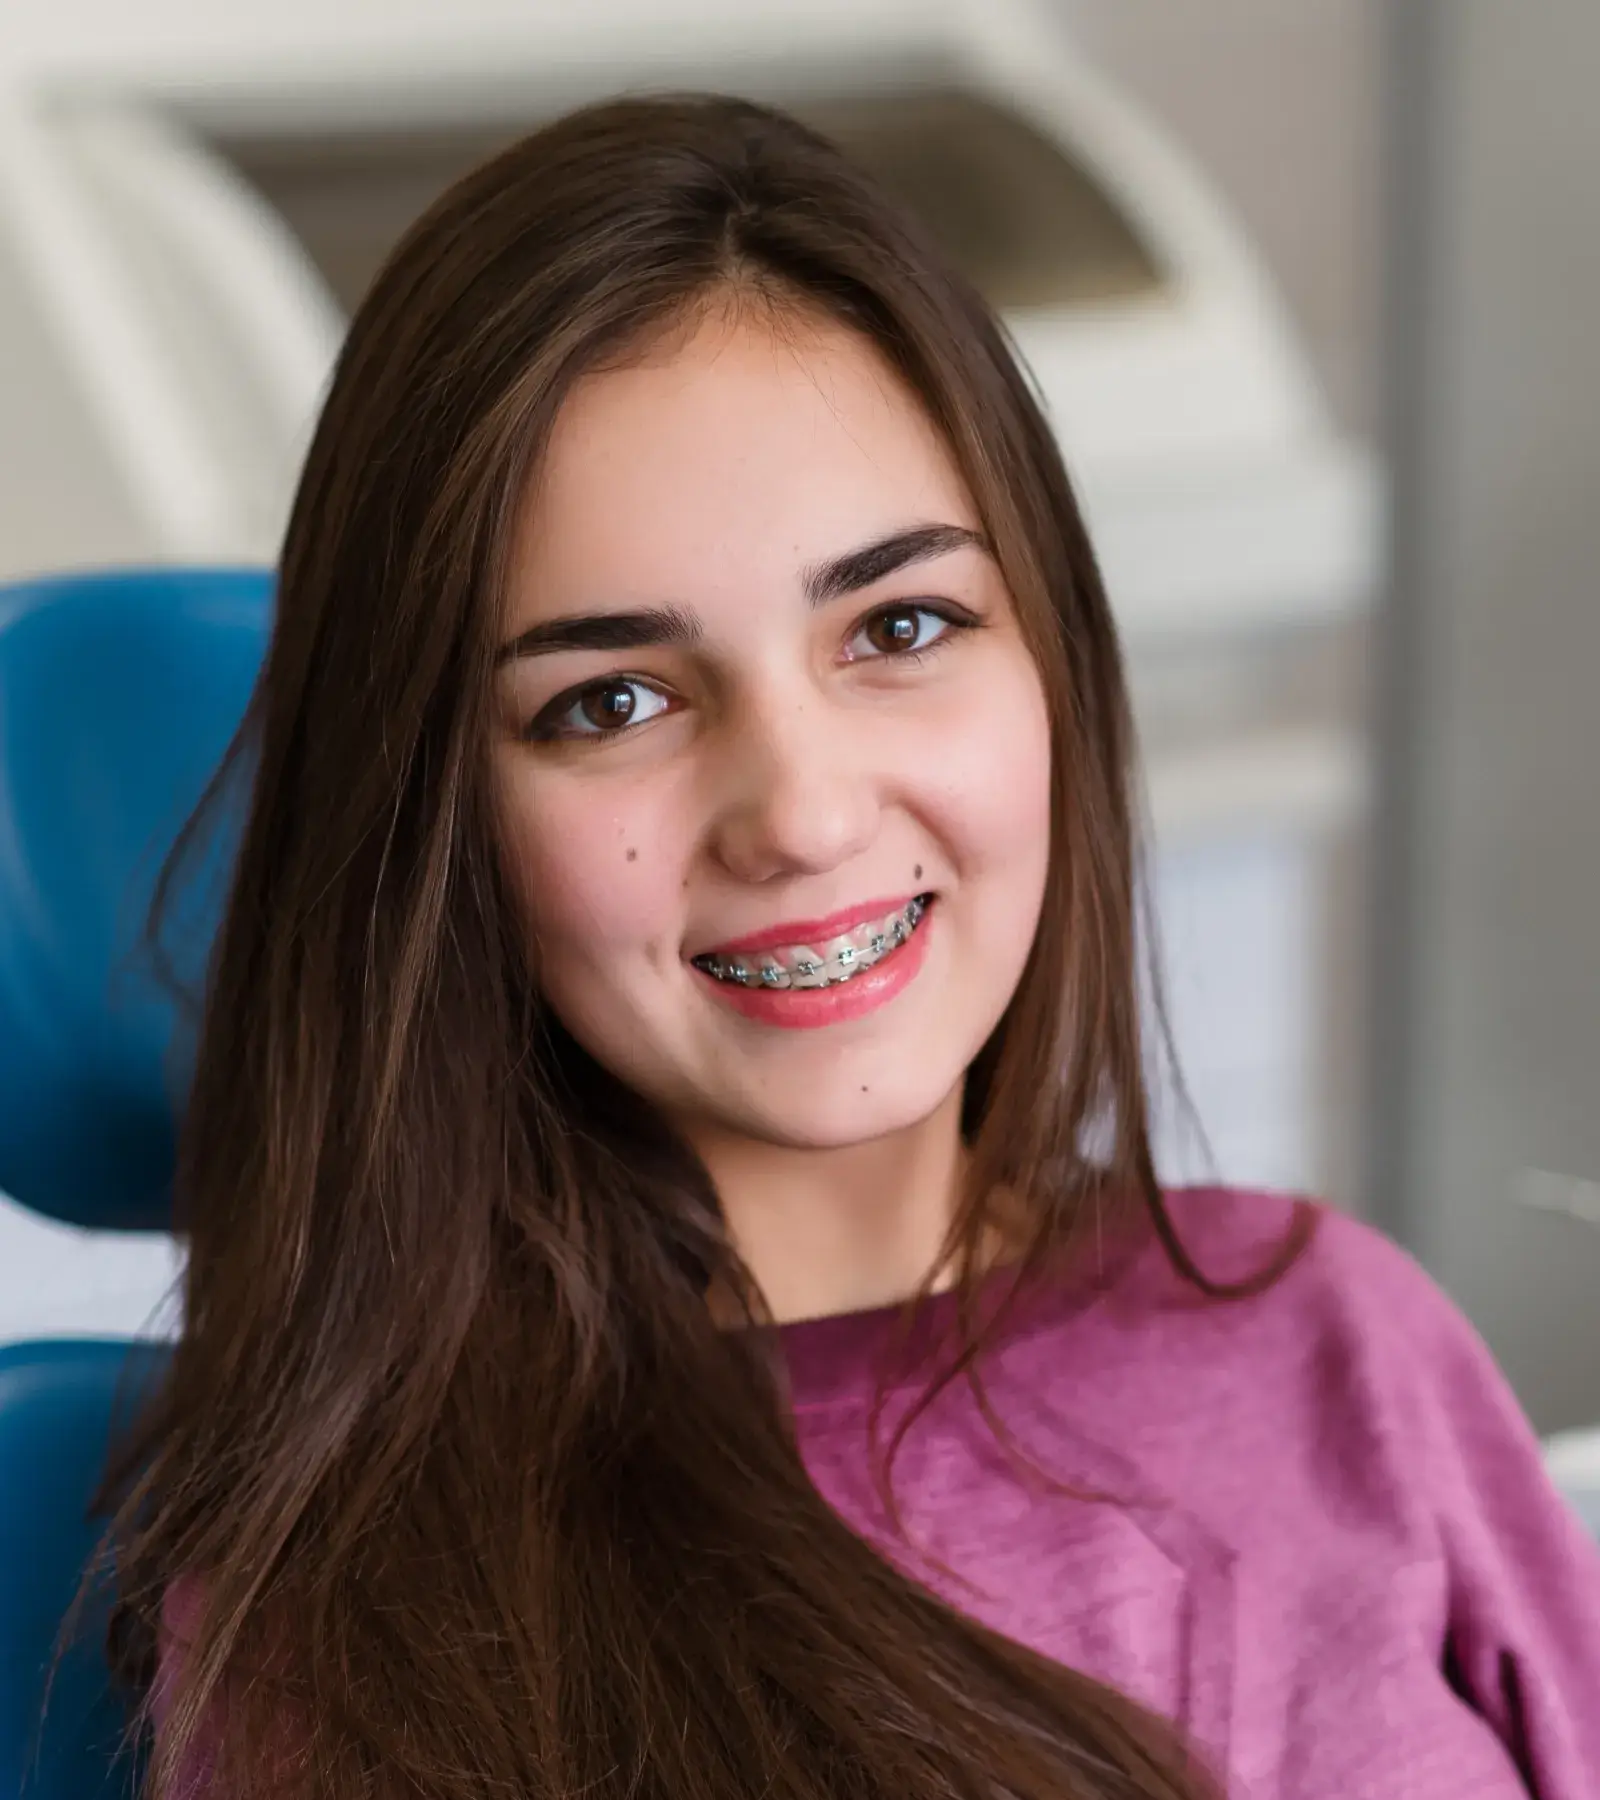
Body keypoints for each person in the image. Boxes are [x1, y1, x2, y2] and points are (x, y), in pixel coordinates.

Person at [103, 95, 1600, 1800]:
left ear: (1052, 660)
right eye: (611, 701)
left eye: (900, 625)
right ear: (441, 825)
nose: (802, 813)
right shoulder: (363, 1616)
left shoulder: (1340, 1339)